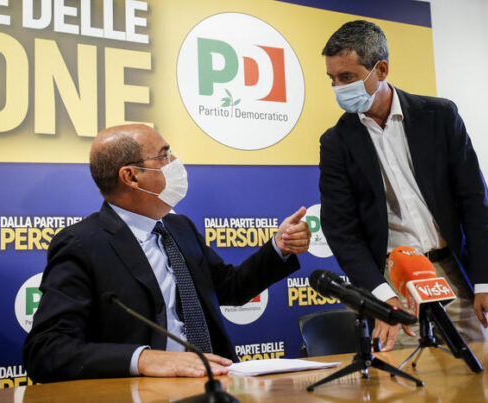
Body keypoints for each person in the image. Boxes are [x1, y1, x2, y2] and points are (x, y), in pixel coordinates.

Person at [24, 124, 311, 382]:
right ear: (131, 177)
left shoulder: (180, 227)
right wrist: (144, 359)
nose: (176, 162)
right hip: (143, 391)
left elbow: (230, 288)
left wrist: (279, 247)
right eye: (164, 156)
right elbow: (47, 350)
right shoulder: (82, 244)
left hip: (215, 382)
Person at [318, 20, 488, 351]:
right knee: (405, 378)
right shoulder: (336, 142)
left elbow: (474, 202)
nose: (338, 87)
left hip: (452, 275)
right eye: (333, 79)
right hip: (391, 281)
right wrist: (380, 297)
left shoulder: (440, 116)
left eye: (347, 77)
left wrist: (486, 284)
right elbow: (341, 230)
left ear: (381, 70)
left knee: (476, 374)